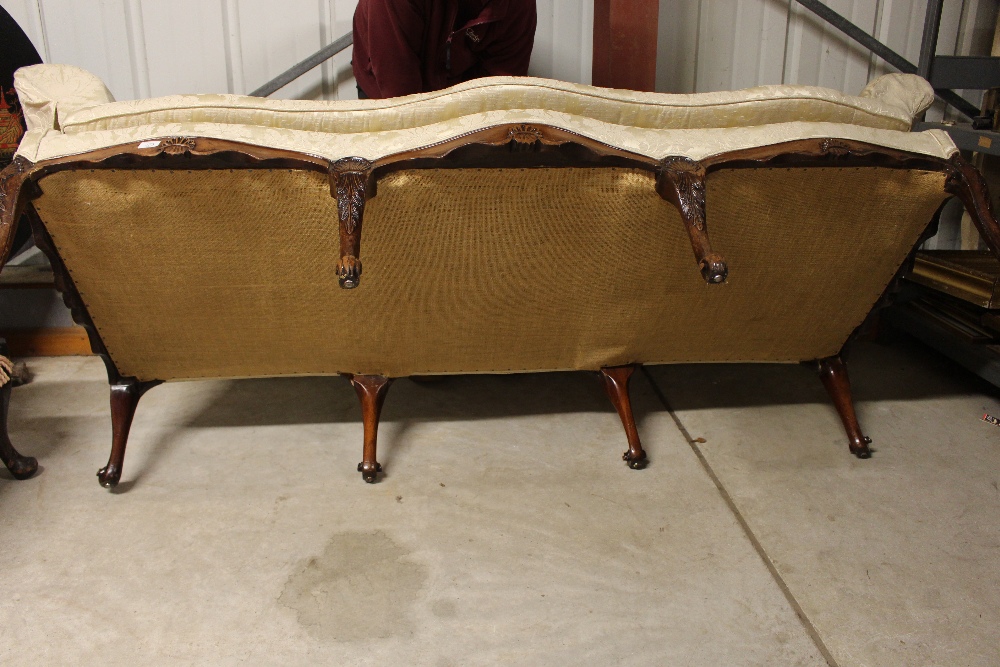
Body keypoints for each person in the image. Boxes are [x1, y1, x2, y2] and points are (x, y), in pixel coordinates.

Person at [352, 0, 536, 99]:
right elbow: (401, 97)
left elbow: (505, 94)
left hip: (459, 89)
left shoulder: (519, 5)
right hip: (385, 83)